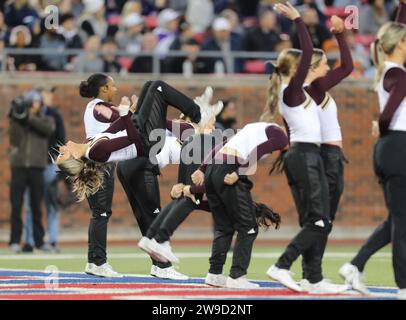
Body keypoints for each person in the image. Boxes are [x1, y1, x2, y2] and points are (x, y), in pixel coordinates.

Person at [263, 3, 347, 294]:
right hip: (304, 155)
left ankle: (313, 278)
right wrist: (299, 19)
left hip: (307, 155)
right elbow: (309, 53)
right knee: (320, 220)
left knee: (320, 219)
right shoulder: (292, 89)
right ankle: (282, 265)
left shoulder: (296, 90)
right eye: (300, 62)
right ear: (293, 67)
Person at [339, 1, 406, 300]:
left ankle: (355, 265)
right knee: (402, 225)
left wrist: (402, 8)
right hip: (397, 147)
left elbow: (397, 33)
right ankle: (403, 286)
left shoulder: (390, 71)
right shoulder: (399, 76)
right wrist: (382, 125)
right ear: (400, 45)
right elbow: (388, 114)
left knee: (397, 219)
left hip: (390, 148)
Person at [116, 85, 218, 280]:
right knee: (155, 219)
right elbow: (163, 121)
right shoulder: (188, 130)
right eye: (212, 124)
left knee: (146, 220)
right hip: (141, 166)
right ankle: (163, 264)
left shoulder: (194, 139)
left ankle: (158, 266)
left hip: (128, 167)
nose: (213, 128)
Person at [190, 119, 288, 289]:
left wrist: (202, 168)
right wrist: (239, 172)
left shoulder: (253, 127)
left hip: (214, 168)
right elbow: (261, 149)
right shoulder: (281, 135)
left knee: (224, 227)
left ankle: (214, 274)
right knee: (248, 226)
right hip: (229, 168)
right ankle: (237, 276)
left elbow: (221, 144)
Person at [298, 15, 354, 292]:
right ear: (313, 68)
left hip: (327, 155)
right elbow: (349, 67)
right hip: (327, 156)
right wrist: (341, 35)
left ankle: (310, 273)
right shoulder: (315, 87)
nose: (329, 68)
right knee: (322, 219)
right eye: (324, 65)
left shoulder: (309, 89)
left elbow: (344, 67)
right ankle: (311, 274)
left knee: (322, 219)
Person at [8, 90, 55, 253]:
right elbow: (14, 139)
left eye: (37, 102)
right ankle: (15, 241)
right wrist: (15, 118)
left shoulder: (46, 119)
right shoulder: (19, 120)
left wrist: (26, 117)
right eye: (32, 102)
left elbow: (47, 130)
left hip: (36, 167)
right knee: (16, 205)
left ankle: (39, 242)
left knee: (36, 205)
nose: (35, 105)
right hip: (19, 166)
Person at [23, 86, 66, 253]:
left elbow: (61, 139)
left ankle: (53, 240)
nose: (49, 97)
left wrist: (55, 160)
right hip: (33, 166)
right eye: (45, 94)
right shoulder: (28, 117)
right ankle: (29, 241)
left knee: (52, 203)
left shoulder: (54, 115)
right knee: (30, 204)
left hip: (48, 165)